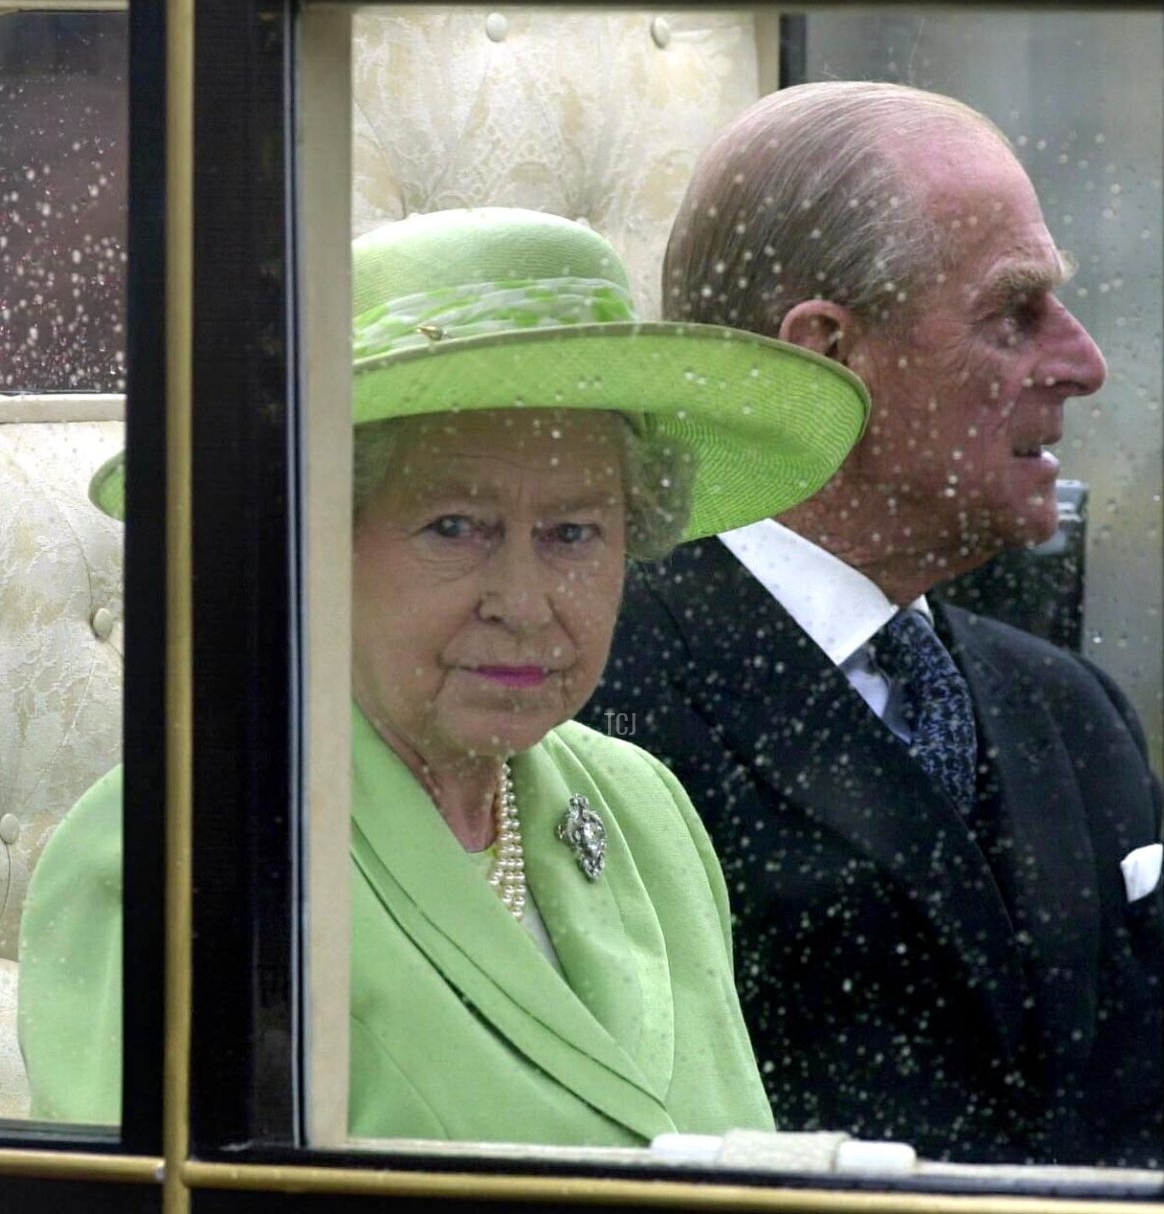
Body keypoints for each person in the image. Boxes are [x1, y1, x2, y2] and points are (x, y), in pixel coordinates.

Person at [18, 207, 869, 1143]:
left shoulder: (643, 810)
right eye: (456, 526)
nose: (525, 598)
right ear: (315, 539)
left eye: (573, 533)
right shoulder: (187, 845)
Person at [583, 83, 1164, 1165]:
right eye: (1014, 314)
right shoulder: (596, 699)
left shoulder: (1077, 713)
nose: (1083, 365)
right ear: (825, 353)